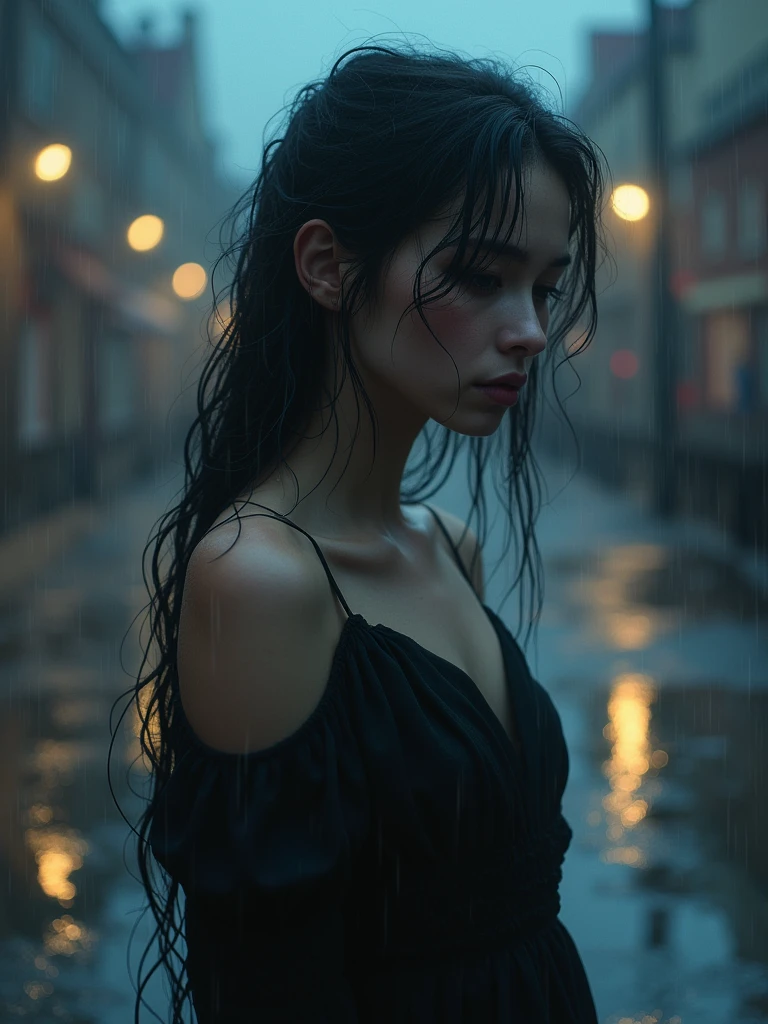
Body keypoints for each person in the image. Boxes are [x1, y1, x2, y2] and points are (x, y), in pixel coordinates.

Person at [122, 40, 605, 1023]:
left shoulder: (449, 544)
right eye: (478, 274)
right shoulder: (261, 581)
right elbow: (265, 988)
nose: (530, 330)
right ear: (328, 265)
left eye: (545, 287)